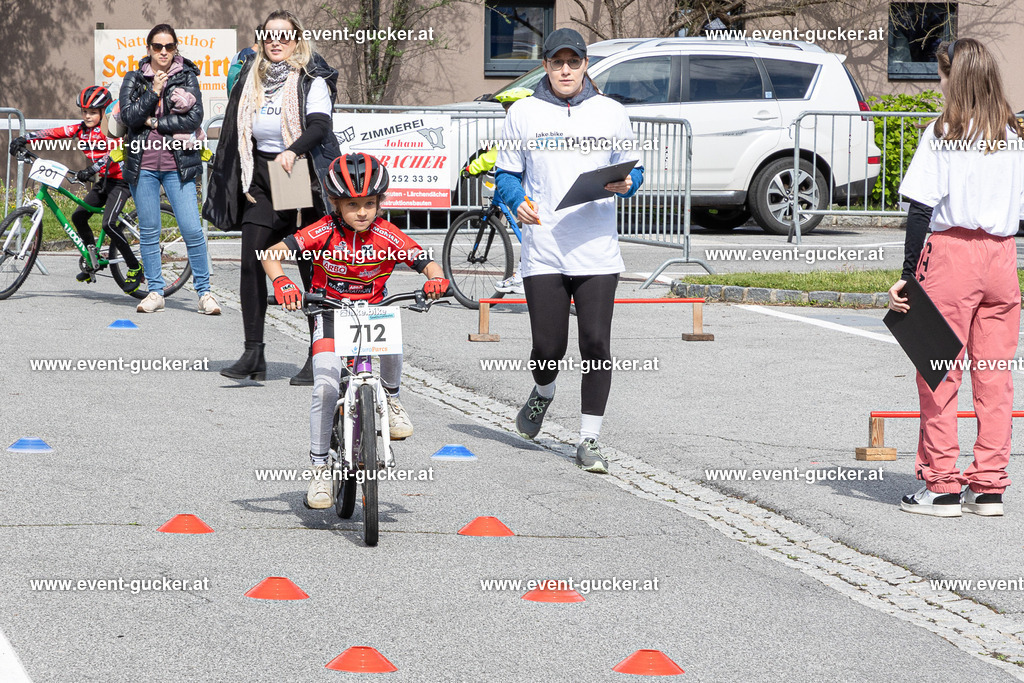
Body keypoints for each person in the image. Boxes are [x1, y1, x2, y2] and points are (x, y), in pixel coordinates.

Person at [259, 154, 449, 508]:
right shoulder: (322, 230)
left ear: (380, 203)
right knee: (326, 387)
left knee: (392, 332)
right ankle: (319, 469)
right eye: (352, 205)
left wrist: (435, 279)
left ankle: (391, 399)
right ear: (335, 204)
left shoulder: (386, 233)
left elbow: (424, 259)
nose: (362, 212)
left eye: (369, 204)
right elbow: (270, 254)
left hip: (373, 313)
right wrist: (282, 279)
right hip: (330, 314)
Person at [494, 28, 644, 474]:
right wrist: (514, 199)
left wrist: (628, 184)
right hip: (544, 248)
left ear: (584, 66)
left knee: (596, 341)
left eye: (573, 62)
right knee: (548, 346)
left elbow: (635, 174)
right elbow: (506, 175)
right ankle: (542, 393)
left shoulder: (610, 112)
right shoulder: (523, 113)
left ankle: (589, 439)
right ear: (545, 66)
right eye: (557, 62)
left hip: (596, 247)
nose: (565, 70)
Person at [889, 38, 1024, 518]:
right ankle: (988, 487)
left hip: (952, 255)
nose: (937, 84)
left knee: (938, 369)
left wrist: (907, 276)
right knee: (994, 377)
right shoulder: (1012, 136)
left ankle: (942, 485)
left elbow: (921, 208)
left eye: (941, 75)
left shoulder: (943, 132)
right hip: (1002, 257)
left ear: (955, 78)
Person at [204, 9, 341, 385]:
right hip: (260, 175)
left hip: (298, 173)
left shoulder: (311, 78)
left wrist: (293, 150)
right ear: (260, 40)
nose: (275, 42)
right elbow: (236, 128)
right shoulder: (252, 77)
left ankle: (319, 355)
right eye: (268, 36)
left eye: (283, 35)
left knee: (311, 265)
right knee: (252, 258)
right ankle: (254, 353)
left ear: (296, 39)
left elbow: (319, 127)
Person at [119, 23, 220, 314]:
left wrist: (154, 123)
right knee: (149, 232)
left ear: (175, 48)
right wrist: (154, 91)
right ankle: (155, 291)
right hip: (144, 166)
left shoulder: (187, 76)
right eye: (157, 46)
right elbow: (128, 117)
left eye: (169, 46)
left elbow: (194, 119)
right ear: (148, 48)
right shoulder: (135, 78)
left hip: (179, 165)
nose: (163, 52)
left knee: (191, 228)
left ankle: (205, 293)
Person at [10, 86, 143, 292]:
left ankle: (135, 267)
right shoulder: (80, 130)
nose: (87, 116)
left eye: (92, 112)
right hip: (105, 182)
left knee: (108, 224)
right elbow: (53, 133)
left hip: (121, 182)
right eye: (84, 111)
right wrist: (25, 138)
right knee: (79, 216)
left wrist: (92, 169)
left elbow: (113, 153)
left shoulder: (111, 131)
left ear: (103, 112)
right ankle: (92, 259)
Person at [460, 87, 533, 295]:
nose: (508, 113)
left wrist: (471, 169)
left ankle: (521, 275)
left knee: (530, 229)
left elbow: (495, 154)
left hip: (529, 188)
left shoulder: (519, 128)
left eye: (508, 109)